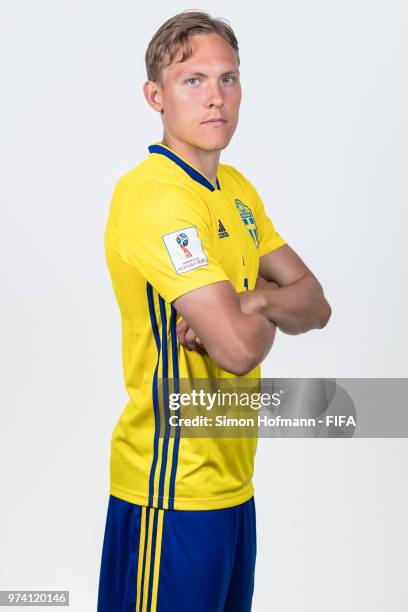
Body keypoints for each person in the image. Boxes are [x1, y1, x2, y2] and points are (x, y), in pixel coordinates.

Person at [97, 9, 331, 612]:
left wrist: (250, 298)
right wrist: (261, 312)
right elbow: (238, 350)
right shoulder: (152, 198)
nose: (215, 98)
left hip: (232, 483)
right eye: (192, 80)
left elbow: (316, 301)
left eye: (227, 79)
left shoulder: (237, 192)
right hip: (170, 491)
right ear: (156, 95)